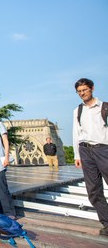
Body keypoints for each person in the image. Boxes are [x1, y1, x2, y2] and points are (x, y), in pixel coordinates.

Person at [73, 78, 108, 237]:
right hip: (85, 151)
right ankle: (107, 223)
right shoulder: (77, 110)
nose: (82, 93)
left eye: (84, 90)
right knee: (93, 190)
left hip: (103, 149)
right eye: (79, 91)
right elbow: (76, 133)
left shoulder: (104, 107)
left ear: (92, 89)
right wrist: (76, 155)